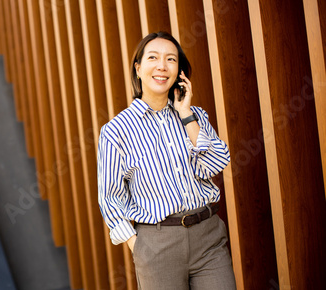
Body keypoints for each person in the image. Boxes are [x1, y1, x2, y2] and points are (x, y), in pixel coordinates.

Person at [97, 31, 236, 289]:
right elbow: (110, 197)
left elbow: (217, 164)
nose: (162, 66)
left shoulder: (195, 115)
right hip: (157, 245)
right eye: (153, 57)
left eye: (171, 59)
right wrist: (137, 245)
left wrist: (186, 114)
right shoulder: (116, 131)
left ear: (179, 72)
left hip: (209, 237)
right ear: (138, 69)